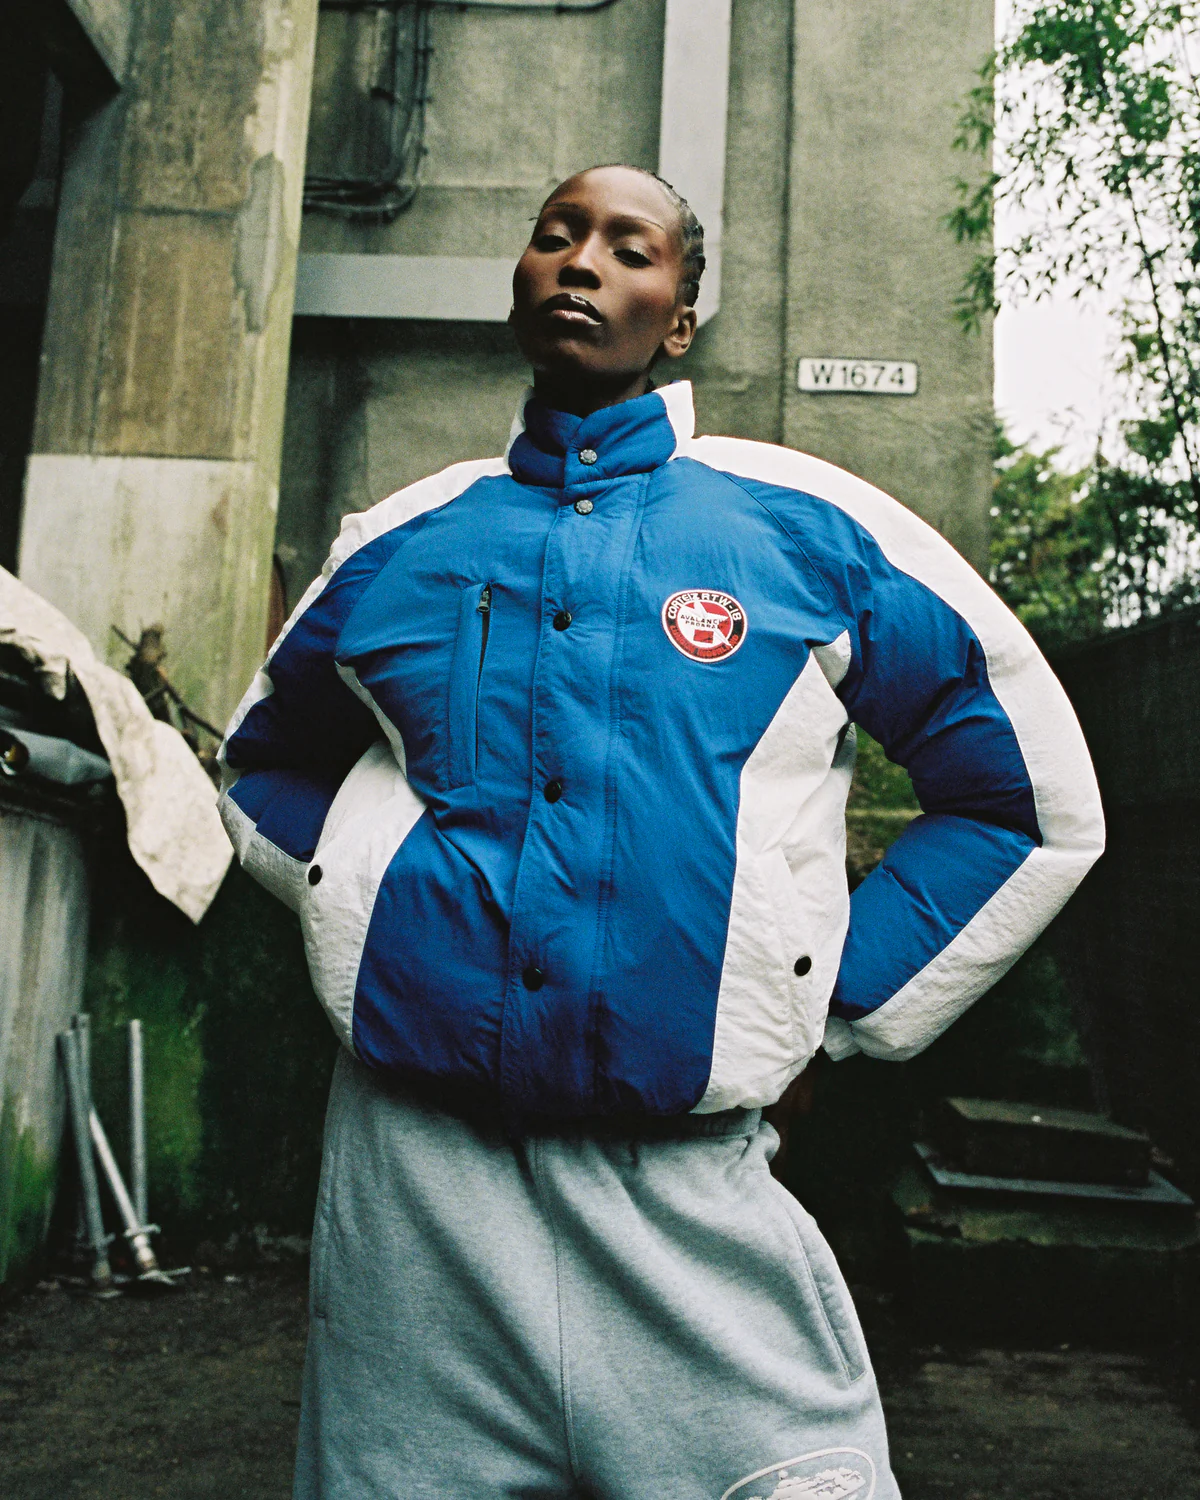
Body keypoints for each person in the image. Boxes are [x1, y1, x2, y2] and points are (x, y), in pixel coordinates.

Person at [219, 164, 1104, 1500]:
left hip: (692, 1191)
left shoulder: (805, 528)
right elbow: (259, 766)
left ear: (681, 319)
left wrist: (831, 998)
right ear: (518, 283)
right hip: (414, 1204)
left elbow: (1024, 802)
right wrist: (363, 895)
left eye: (630, 249)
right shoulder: (401, 542)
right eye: (555, 236)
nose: (581, 262)